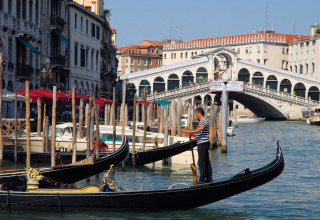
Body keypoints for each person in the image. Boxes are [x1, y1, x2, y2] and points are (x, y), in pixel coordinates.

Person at [186, 107, 212, 184]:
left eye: (196, 114)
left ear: (199, 113)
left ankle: (202, 179)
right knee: (206, 160)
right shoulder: (201, 121)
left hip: (203, 144)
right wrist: (194, 139)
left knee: (202, 161)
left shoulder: (204, 120)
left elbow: (202, 128)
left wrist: (192, 131)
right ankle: (208, 178)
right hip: (202, 142)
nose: (196, 115)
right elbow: (201, 134)